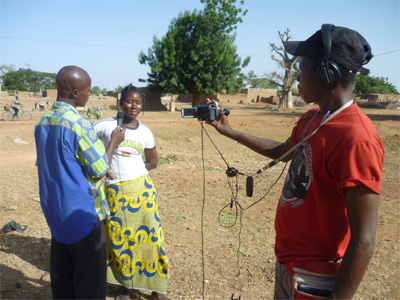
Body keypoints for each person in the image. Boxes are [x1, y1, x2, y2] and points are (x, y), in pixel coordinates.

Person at [207, 24, 384, 299]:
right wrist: (230, 132)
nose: (298, 76)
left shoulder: (356, 139)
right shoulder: (313, 119)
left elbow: (364, 240)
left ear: (328, 74)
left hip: (317, 274)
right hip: (288, 264)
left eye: (303, 67)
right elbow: (281, 152)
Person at [34, 65, 110, 299]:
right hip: (83, 213)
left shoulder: (42, 122)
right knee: (90, 282)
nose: (90, 95)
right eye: (88, 91)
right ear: (76, 92)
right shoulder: (80, 124)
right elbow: (99, 170)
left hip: (56, 211)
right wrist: (114, 141)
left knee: (63, 277)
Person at [94, 84, 169, 300]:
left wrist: (133, 172)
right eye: (129, 101)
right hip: (115, 193)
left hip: (142, 191)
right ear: (120, 102)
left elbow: (153, 162)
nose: (133, 106)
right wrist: (102, 161)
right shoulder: (106, 125)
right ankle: (126, 286)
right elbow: (85, 141)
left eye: (138, 102)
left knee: (152, 237)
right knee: (119, 238)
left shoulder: (145, 132)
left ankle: (157, 289)